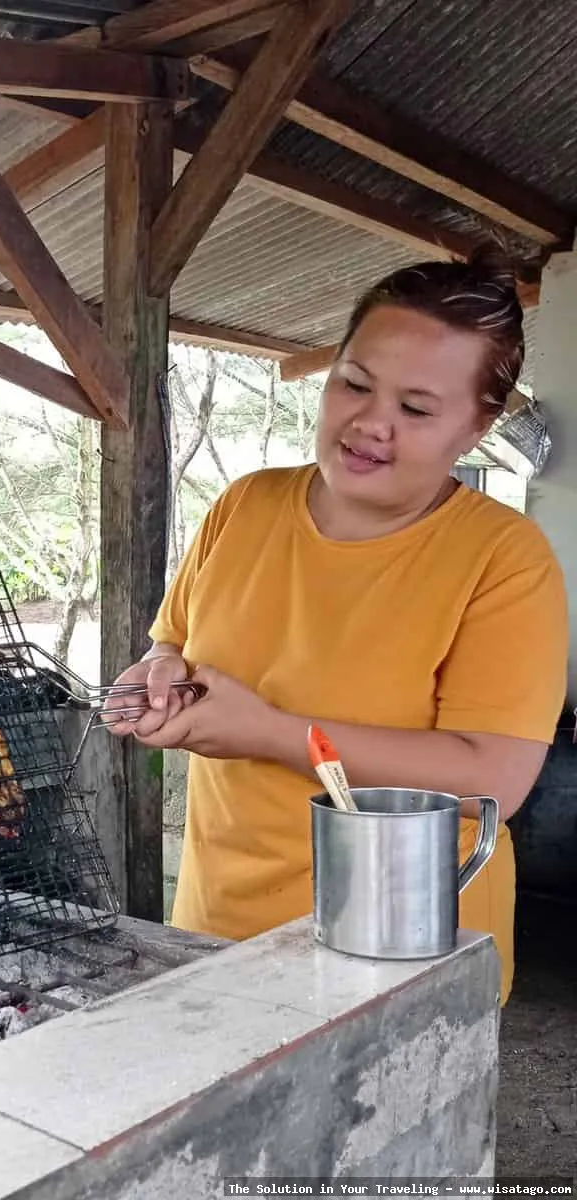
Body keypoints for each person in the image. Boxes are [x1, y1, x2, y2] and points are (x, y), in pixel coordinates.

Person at [106, 245, 569, 1006]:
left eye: (415, 409)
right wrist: (159, 680)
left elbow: (491, 780)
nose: (370, 424)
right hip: (217, 927)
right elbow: (175, 643)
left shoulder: (503, 559)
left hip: (400, 949)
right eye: (354, 383)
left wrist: (271, 733)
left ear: (478, 424)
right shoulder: (246, 505)